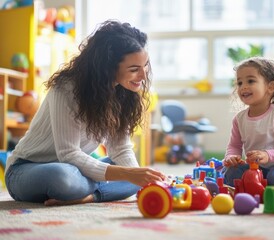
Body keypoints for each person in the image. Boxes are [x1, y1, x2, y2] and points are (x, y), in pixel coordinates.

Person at [5, 20, 166, 206]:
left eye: (145, 65)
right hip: (26, 169)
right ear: (108, 68)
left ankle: (91, 196)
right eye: (134, 69)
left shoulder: (123, 93)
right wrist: (128, 175)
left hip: (75, 169)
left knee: (138, 175)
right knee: (64, 177)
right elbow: (69, 154)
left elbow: (121, 150)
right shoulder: (66, 89)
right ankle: (92, 190)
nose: (144, 75)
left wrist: (136, 176)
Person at [222, 56, 274, 194]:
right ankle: (259, 190)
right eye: (240, 83)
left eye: (251, 81)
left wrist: (267, 155)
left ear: (270, 87)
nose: (243, 87)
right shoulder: (239, 119)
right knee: (230, 173)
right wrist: (231, 157)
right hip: (253, 169)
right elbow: (234, 146)